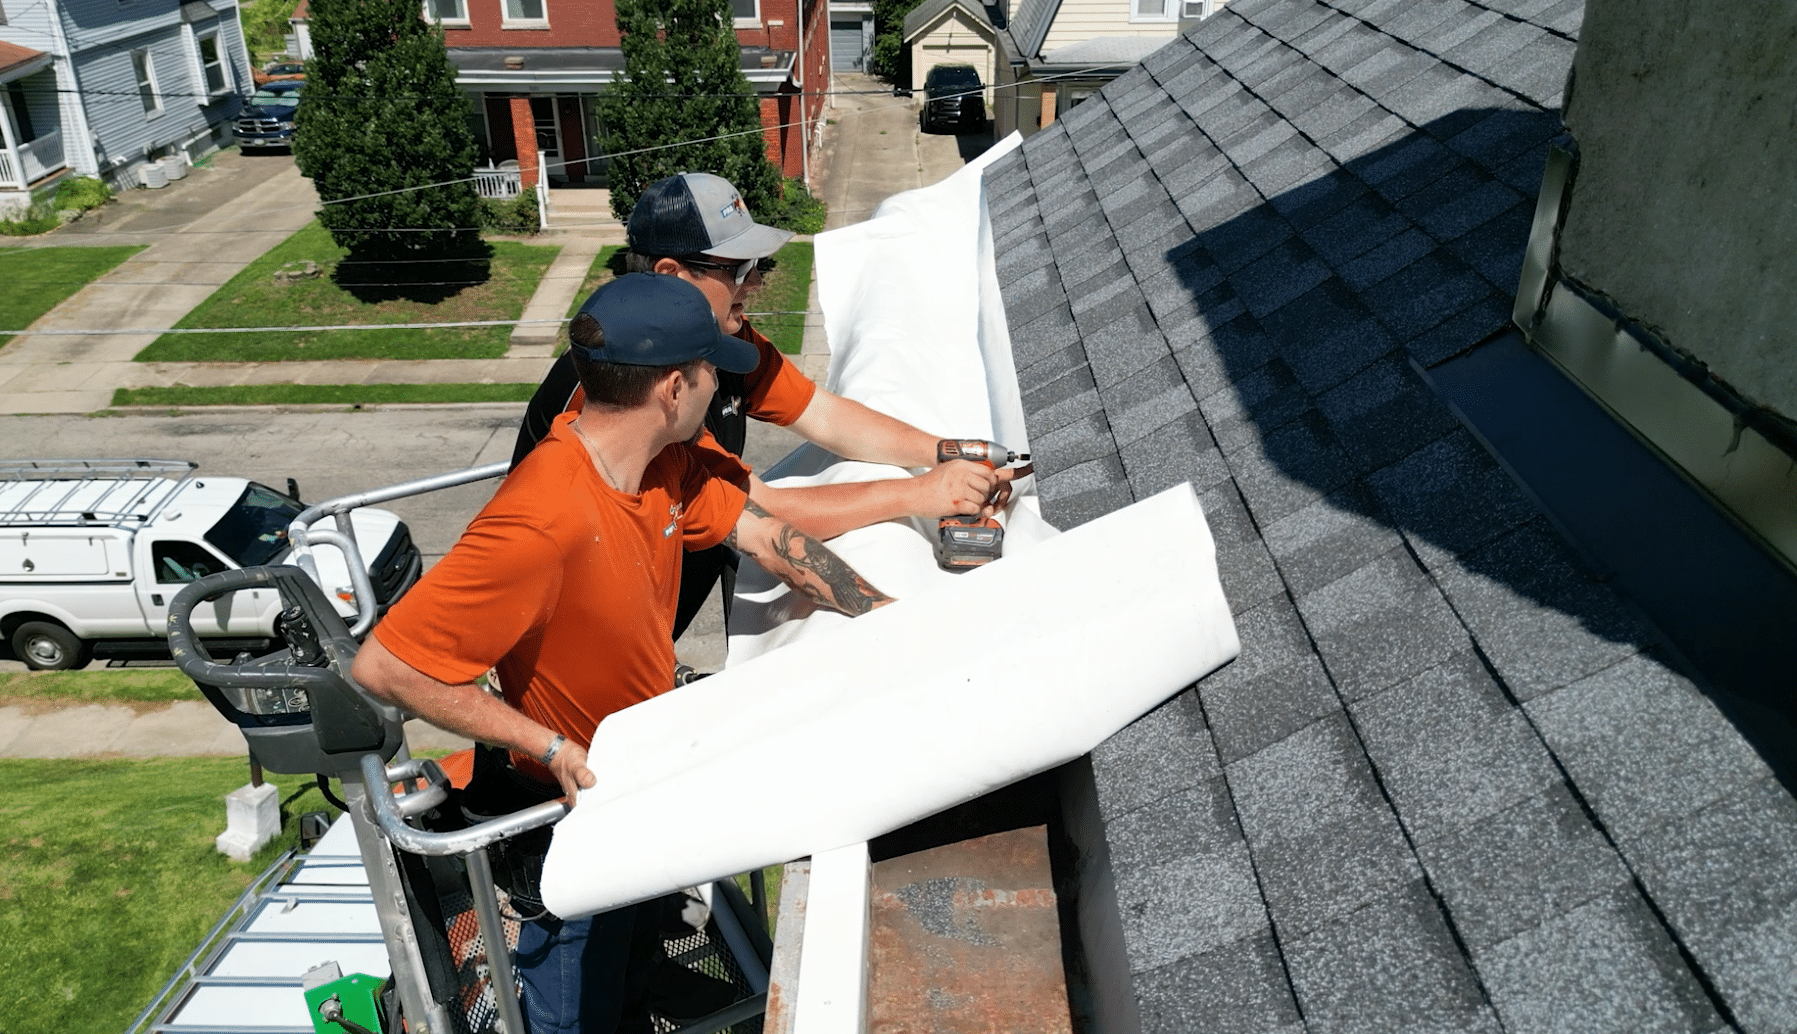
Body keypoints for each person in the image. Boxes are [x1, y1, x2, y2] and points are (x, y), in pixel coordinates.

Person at [352, 273, 894, 1034]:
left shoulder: (661, 467)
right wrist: (545, 744)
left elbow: (772, 538)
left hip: (637, 781)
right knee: (574, 1006)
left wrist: (893, 624)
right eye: (713, 373)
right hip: (570, 814)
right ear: (675, 387)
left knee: (635, 962)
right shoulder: (542, 518)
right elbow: (385, 666)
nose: (722, 390)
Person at [512, 171, 1026, 638]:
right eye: (739, 268)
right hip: (568, 666)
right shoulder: (636, 389)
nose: (756, 282)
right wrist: (924, 494)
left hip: (643, 639)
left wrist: (946, 450)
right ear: (672, 273)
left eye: (759, 265)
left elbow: (822, 414)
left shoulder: (725, 343)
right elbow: (763, 514)